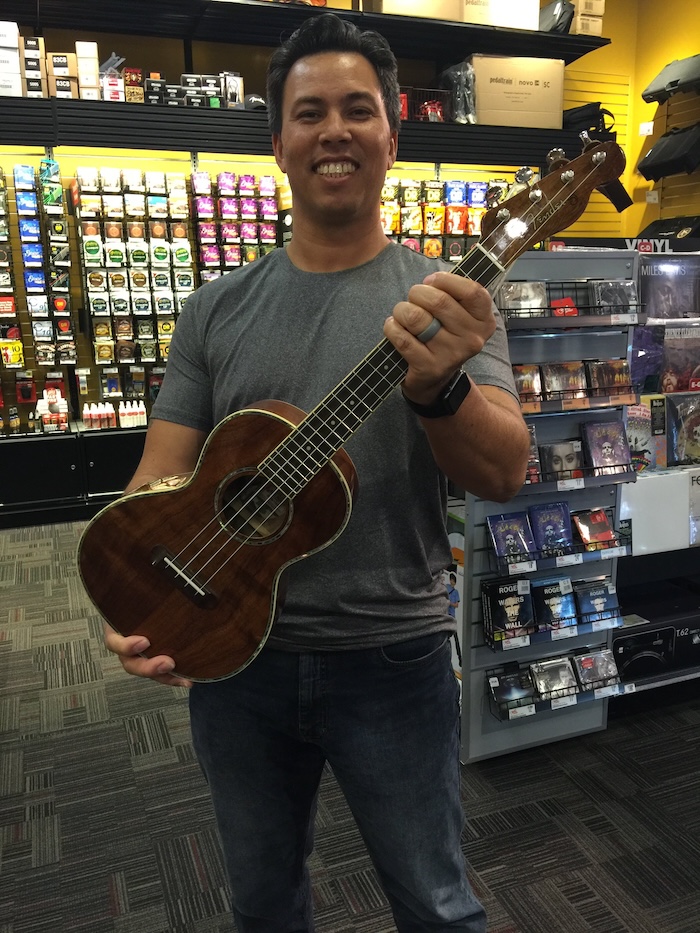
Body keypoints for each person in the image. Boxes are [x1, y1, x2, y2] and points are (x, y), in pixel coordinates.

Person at [103, 12, 530, 932]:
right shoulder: (215, 309)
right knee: (262, 902)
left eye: (356, 109)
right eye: (309, 113)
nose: (333, 130)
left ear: (391, 134)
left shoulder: (451, 300)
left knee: (436, 902)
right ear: (278, 142)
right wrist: (137, 592)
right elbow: (160, 473)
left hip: (393, 656)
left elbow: (504, 472)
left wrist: (440, 389)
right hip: (231, 657)